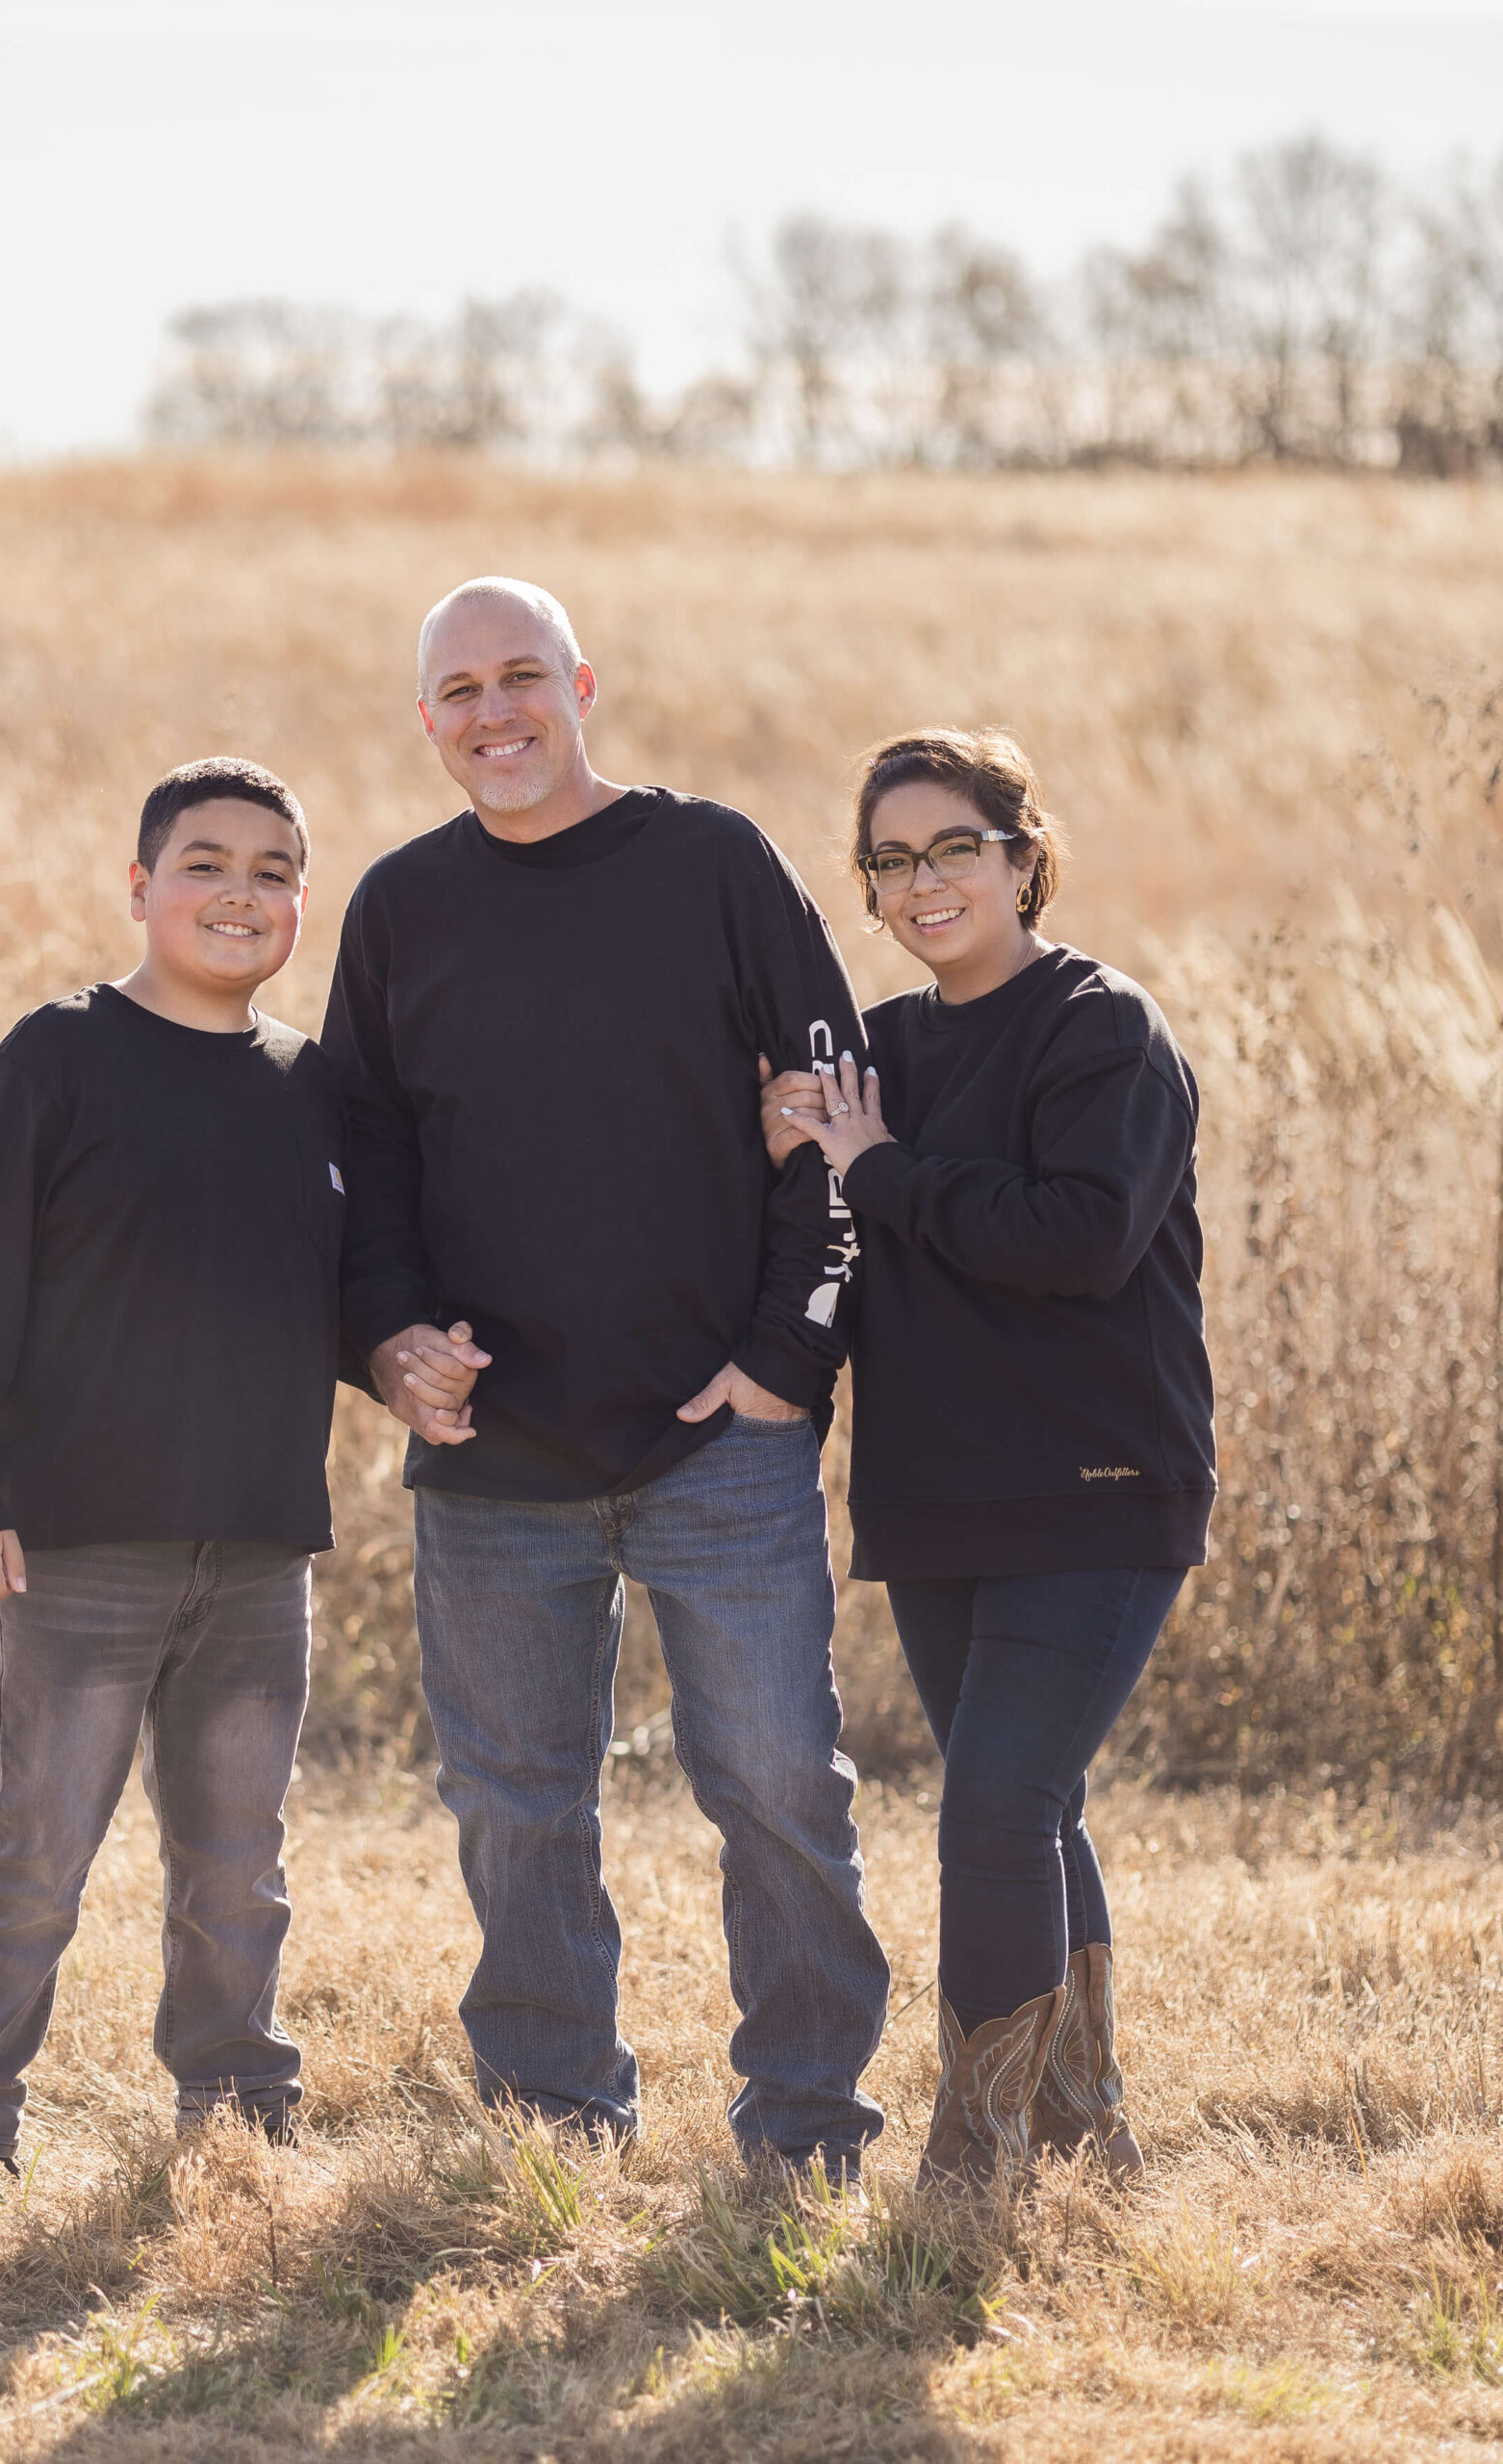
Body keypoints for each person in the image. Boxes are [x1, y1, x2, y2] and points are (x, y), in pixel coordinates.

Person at [322, 577, 890, 2181]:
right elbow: (362, 1167)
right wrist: (390, 1347)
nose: (493, 713)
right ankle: (556, 2127)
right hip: (496, 1452)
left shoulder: (712, 864)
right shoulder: (397, 910)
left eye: (521, 677)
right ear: (425, 721)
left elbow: (831, 1107)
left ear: (582, 684)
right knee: (517, 1807)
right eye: (457, 691)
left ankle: (808, 2128)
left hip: (720, 1437)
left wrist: (788, 1356)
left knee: (779, 1787)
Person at [764, 727, 1214, 2188]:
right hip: (938, 1489)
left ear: (1024, 856)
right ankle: (1083, 2126)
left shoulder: (1102, 1025)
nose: (923, 881)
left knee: (997, 1801)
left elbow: (1082, 1239)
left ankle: (980, 2154)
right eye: (890, 860)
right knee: (1030, 1800)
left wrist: (881, 1170)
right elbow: (831, 1234)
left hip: (1097, 1484)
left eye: (955, 846)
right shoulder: (881, 1050)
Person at [0, 757, 344, 2190]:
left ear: (299, 903)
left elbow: (333, 1297)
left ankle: (236, 2117)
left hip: (261, 1547)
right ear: (140, 886)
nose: (240, 892)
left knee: (236, 1866)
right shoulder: (57, 1056)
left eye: (273, 870)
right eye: (206, 863)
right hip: (80, 1543)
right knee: (35, 1853)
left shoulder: (313, 1089)